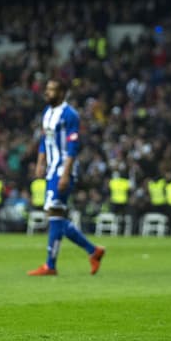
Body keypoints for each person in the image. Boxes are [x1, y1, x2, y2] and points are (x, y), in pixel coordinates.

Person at [27, 78, 105, 276]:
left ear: (62, 93)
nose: (47, 93)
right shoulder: (47, 112)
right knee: (55, 216)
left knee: (54, 214)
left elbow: (73, 146)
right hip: (52, 168)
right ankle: (92, 251)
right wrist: (40, 162)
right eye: (47, 89)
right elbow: (45, 140)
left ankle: (52, 264)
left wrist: (66, 173)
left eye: (52, 90)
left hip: (63, 169)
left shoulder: (70, 115)